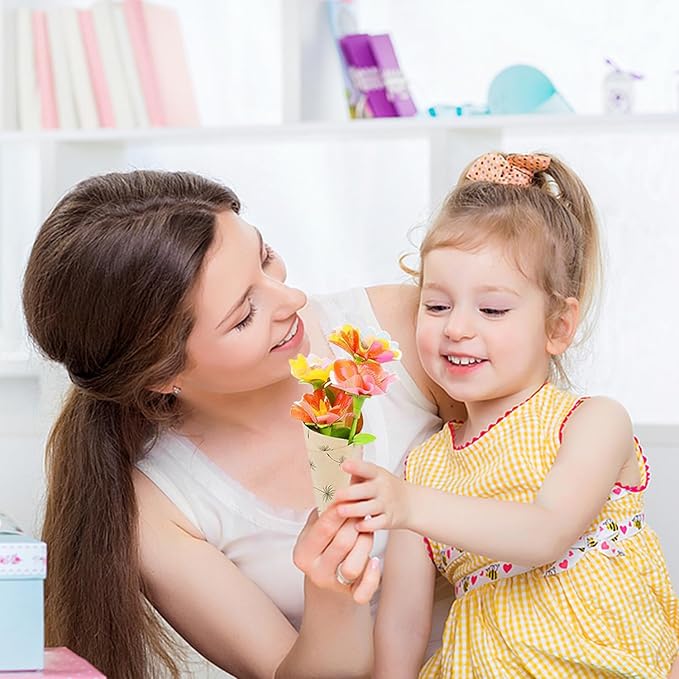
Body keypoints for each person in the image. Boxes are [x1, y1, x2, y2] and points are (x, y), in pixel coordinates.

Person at [22, 170, 464, 679]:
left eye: (265, 256)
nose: (293, 300)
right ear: (163, 375)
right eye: (244, 315)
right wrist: (330, 598)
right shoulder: (159, 508)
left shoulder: (395, 331)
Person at [334, 152, 679, 677]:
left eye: (492, 309)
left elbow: (545, 533)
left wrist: (407, 504)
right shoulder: (422, 469)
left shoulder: (591, 423)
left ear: (558, 326)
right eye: (437, 305)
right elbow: (401, 627)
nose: (456, 328)